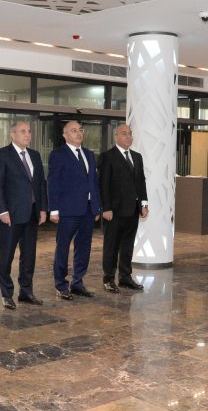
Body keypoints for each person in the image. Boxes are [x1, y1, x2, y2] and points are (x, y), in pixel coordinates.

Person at [0, 121, 47, 309]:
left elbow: (41, 184)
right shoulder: (2, 155)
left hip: (32, 213)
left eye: (29, 131)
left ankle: (26, 292)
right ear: (12, 134)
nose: (27, 134)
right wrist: (2, 210)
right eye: (23, 131)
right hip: (11, 215)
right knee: (6, 256)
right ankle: (7, 294)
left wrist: (43, 208)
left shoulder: (35, 155)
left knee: (29, 255)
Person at [48, 120, 101, 300]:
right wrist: (53, 209)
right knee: (63, 248)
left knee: (84, 248)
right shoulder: (58, 155)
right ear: (65, 135)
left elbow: (94, 183)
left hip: (88, 210)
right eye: (73, 130)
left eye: (80, 130)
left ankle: (77, 283)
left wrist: (96, 207)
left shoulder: (89, 154)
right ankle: (61, 285)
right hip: (67, 210)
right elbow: (53, 183)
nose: (78, 133)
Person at [99, 124, 149, 294]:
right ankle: (108, 279)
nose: (128, 137)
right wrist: (106, 208)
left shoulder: (137, 157)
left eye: (130, 134)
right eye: (124, 134)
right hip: (114, 211)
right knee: (111, 246)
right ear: (116, 137)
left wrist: (144, 204)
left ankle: (125, 277)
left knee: (127, 246)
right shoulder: (108, 157)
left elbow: (141, 182)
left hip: (132, 210)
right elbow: (103, 184)